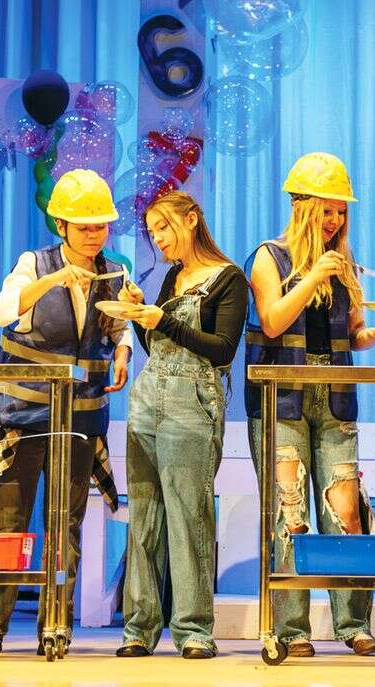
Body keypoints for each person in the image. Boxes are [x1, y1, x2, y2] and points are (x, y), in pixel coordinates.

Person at [244, 152, 375, 657]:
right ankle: (292, 630)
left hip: (333, 395)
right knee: (290, 512)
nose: (334, 220)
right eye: (326, 210)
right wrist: (312, 276)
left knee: (345, 510)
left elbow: (351, 332)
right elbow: (272, 320)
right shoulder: (269, 257)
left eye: (340, 212)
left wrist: (369, 335)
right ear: (301, 208)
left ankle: (353, 622)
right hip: (282, 398)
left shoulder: (343, 263)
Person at [0, 169, 131, 655]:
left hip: (80, 419)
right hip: (23, 415)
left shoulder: (114, 272)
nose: (94, 234)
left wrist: (124, 349)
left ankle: (55, 624)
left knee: (66, 526)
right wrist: (54, 280)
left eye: (100, 226)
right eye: (84, 226)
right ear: (61, 225)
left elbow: (119, 326)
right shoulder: (34, 264)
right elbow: (2, 311)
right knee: (9, 522)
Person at [115, 190, 248, 659]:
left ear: (191, 220)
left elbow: (222, 349)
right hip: (148, 400)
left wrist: (162, 321)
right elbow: (157, 348)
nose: (158, 239)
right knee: (144, 517)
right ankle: (138, 627)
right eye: (152, 232)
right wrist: (139, 317)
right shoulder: (173, 277)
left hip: (192, 405)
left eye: (163, 228)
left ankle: (193, 629)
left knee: (189, 517)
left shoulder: (229, 279)